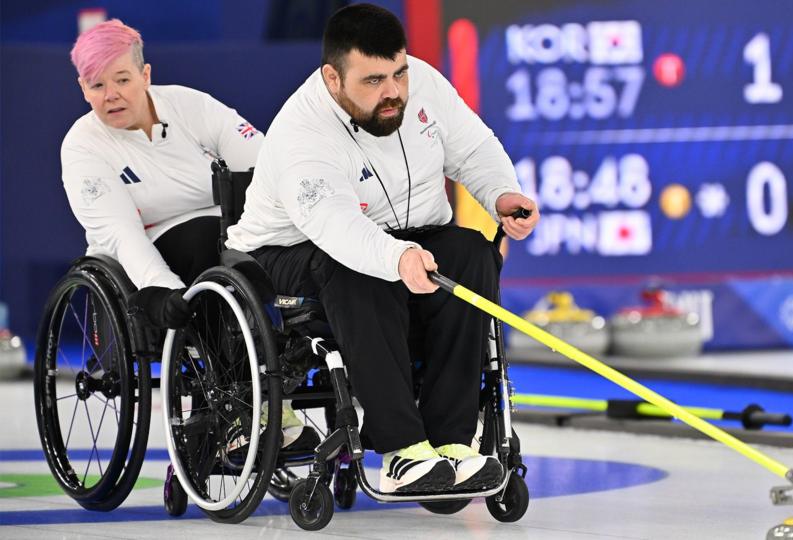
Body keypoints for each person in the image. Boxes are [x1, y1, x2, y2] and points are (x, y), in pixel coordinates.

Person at [226, 4, 540, 493]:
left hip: (406, 236)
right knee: (358, 271)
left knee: (473, 253)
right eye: (373, 81)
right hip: (289, 254)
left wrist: (502, 193)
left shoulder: (425, 87)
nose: (392, 91)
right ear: (333, 77)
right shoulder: (302, 132)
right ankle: (401, 451)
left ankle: (453, 442)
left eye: (399, 72)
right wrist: (395, 257)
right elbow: (336, 226)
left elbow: (474, 148)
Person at [61, 20, 312, 449]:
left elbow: (267, 166)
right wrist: (162, 289)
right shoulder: (83, 147)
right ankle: (248, 408)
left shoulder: (189, 106)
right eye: (96, 85)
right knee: (210, 244)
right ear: (83, 89)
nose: (111, 95)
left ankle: (296, 369)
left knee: (279, 247)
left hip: (229, 238)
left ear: (145, 75)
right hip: (152, 259)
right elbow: (124, 236)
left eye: (122, 79)